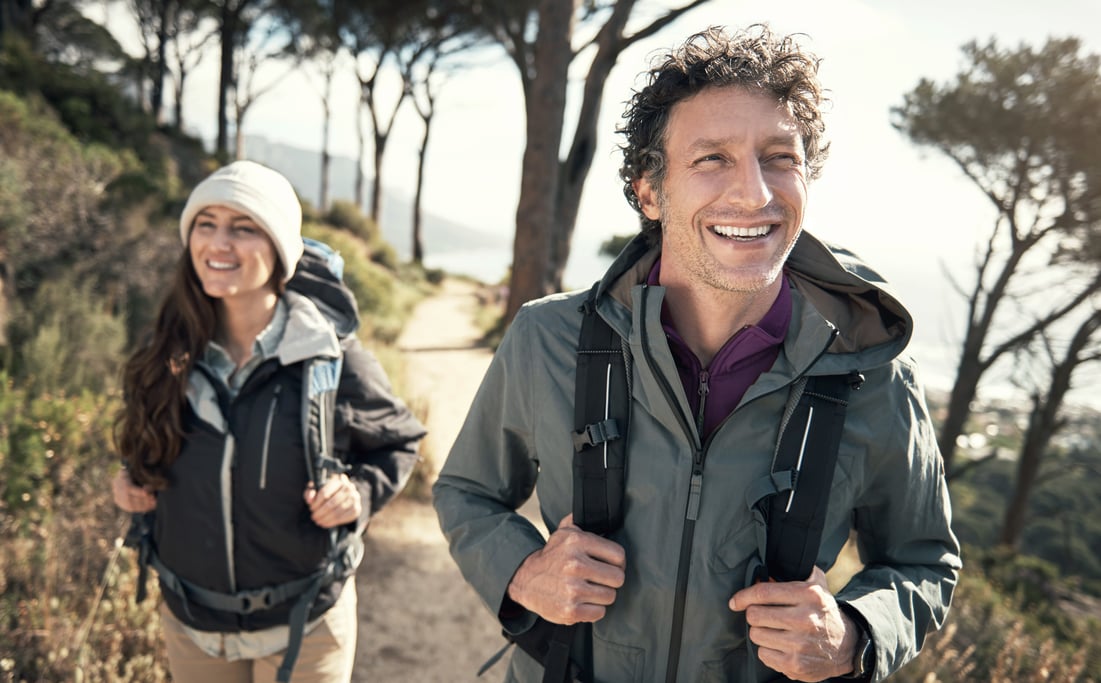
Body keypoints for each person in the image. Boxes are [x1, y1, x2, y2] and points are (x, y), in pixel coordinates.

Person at [433, 25, 960, 683]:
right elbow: (466, 491)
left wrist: (854, 633)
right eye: (711, 158)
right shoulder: (546, 338)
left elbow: (923, 560)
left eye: (778, 157)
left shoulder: (872, 372)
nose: (755, 195)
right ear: (649, 192)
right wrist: (520, 571)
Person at [111, 160, 426, 682]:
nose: (218, 243)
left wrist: (359, 495)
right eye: (205, 224)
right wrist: (127, 486)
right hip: (193, 624)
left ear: (279, 248)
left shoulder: (331, 356)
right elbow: (141, 453)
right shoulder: (161, 352)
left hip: (307, 623)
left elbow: (400, 443)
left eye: (244, 227)